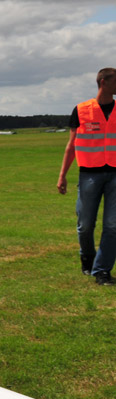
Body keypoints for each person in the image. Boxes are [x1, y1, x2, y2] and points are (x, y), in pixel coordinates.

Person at [57, 67, 116, 286]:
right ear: (103, 82)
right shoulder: (81, 110)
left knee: (112, 225)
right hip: (89, 175)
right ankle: (88, 259)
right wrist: (62, 175)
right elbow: (71, 146)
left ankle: (101, 271)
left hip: (115, 175)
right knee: (85, 224)